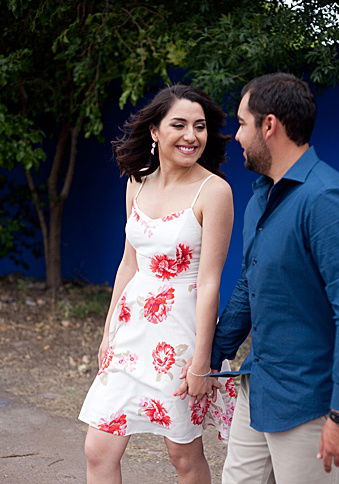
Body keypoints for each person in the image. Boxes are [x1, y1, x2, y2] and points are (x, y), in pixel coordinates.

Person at [206, 73, 339, 484]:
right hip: (258, 385)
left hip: (309, 403)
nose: (236, 136)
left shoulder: (326, 199)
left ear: (269, 125)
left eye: (242, 123)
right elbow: (250, 285)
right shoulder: (262, 195)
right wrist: (208, 358)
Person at [78, 84, 236, 484]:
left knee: (182, 454)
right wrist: (107, 332)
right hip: (131, 332)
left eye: (199, 127)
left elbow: (210, 279)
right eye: (179, 124)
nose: (191, 136)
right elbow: (128, 263)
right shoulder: (137, 182)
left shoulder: (214, 191)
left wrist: (202, 358)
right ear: (154, 131)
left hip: (180, 335)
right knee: (98, 448)